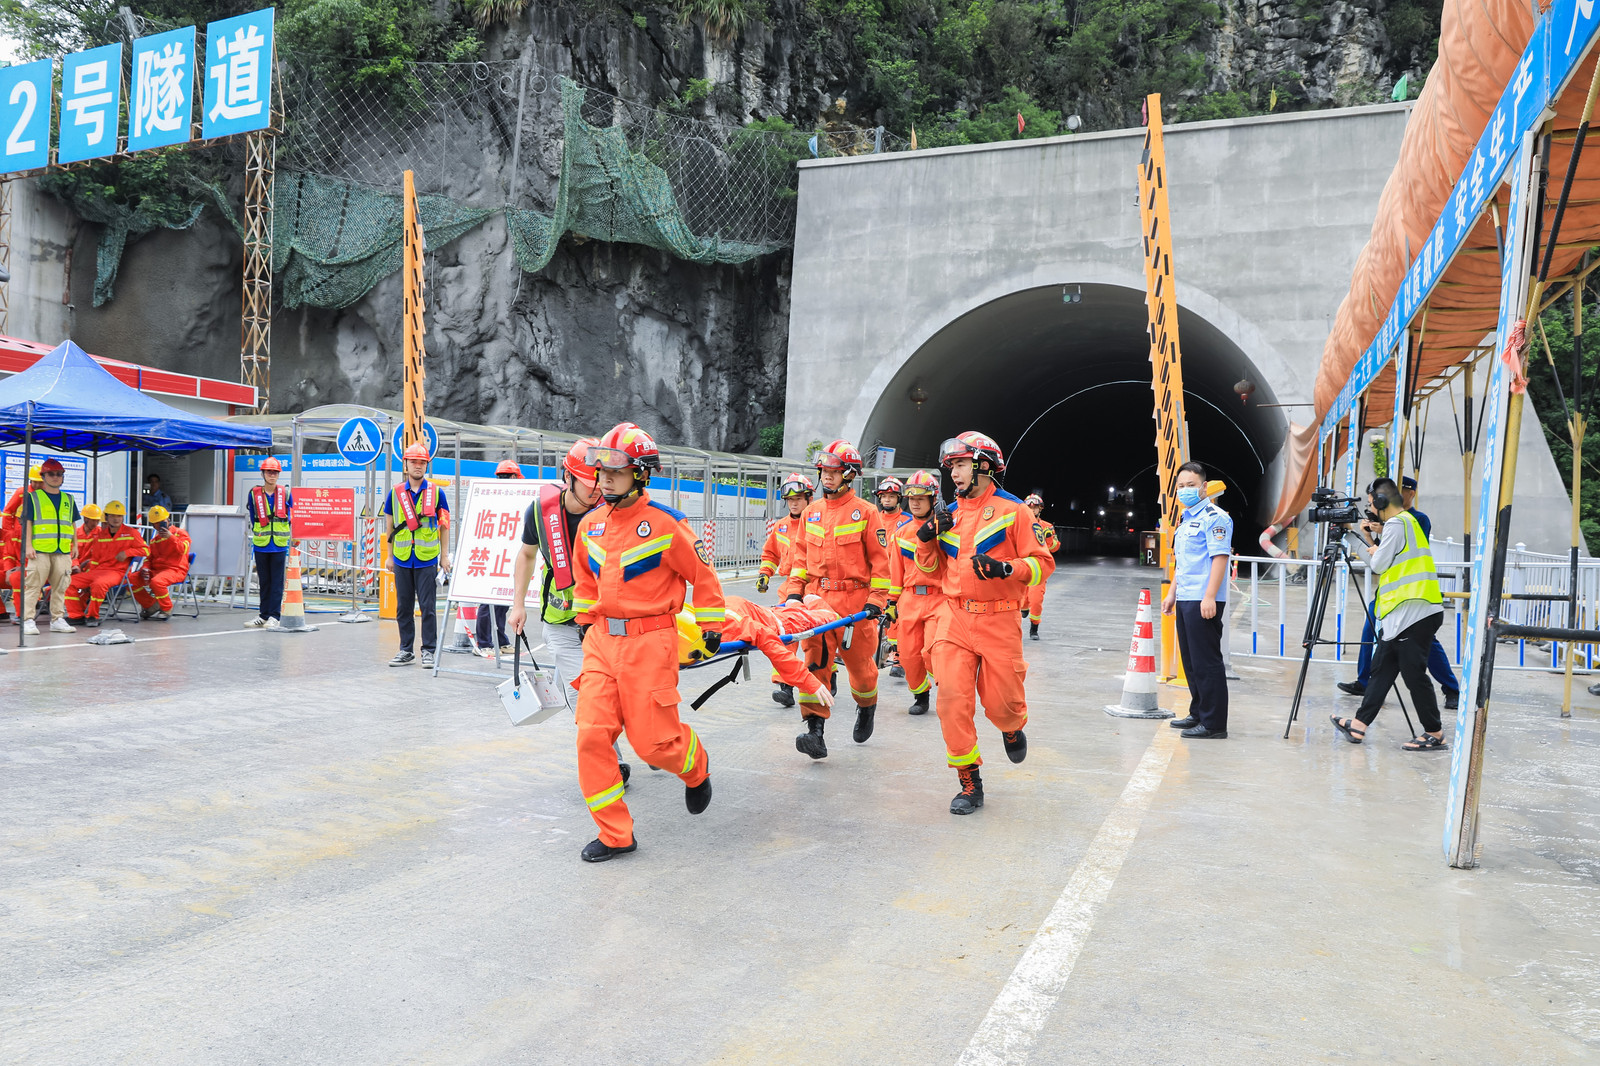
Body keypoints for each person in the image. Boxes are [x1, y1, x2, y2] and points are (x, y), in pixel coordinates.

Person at [570, 422, 726, 863]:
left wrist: (713, 623)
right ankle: (616, 834)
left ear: (641, 473)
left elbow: (703, 576)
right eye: (600, 468)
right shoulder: (592, 525)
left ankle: (695, 768)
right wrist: (585, 621)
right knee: (591, 737)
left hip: (651, 642)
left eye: (615, 469)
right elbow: (584, 579)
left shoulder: (667, 525)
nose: (604, 477)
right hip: (601, 643)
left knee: (653, 744)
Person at [914, 433, 1054, 814]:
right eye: (952, 466)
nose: (953, 473)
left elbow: (1044, 564)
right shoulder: (949, 514)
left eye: (960, 465)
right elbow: (928, 569)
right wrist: (926, 538)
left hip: (1000, 618)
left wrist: (1007, 567)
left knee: (1001, 702)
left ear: (983, 466)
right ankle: (969, 783)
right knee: (952, 701)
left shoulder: (1016, 511)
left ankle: (1010, 726)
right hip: (954, 616)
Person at [507, 438, 633, 785]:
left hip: (608, 619)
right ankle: (612, 762)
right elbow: (527, 555)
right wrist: (518, 606)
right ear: (568, 477)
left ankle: (642, 738)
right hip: (563, 620)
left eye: (601, 481)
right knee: (585, 696)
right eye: (588, 484)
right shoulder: (540, 511)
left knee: (604, 691)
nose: (597, 491)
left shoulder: (614, 510)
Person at [782, 439, 892, 748]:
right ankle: (814, 731)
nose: (827, 476)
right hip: (818, 601)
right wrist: (794, 594)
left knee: (862, 671)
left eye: (834, 471)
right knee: (815, 662)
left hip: (856, 604)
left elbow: (881, 564)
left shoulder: (868, 513)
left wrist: (876, 602)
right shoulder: (811, 513)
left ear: (850, 475)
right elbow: (800, 560)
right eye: (824, 470)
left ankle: (867, 706)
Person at [1331, 477, 1447, 751]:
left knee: (1414, 675)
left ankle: (1435, 732)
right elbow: (1384, 561)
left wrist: (1363, 543)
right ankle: (1359, 726)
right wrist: (1356, 536)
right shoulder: (1406, 522)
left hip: (1414, 611)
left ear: (1382, 502)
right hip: (1403, 612)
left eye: (1371, 503)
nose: (1370, 509)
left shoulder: (1397, 523)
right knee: (1381, 670)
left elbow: (1379, 564)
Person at [678, 595, 838, 757]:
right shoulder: (677, 621)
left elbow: (772, 645)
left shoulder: (733, 627)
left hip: (758, 617)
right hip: (736, 607)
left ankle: (811, 602)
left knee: (818, 618)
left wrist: (809, 681)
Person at [1161, 461, 1233, 738]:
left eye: (1191, 486)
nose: (1185, 490)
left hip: (1204, 598)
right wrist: (1171, 594)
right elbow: (1184, 563)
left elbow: (1219, 559)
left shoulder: (1216, 517)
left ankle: (1214, 724)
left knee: (1207, 662)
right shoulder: (1187, 518)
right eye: (1180, 486)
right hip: (1186, 596)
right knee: (1190, 662)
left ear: (1204, 487)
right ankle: (1198, 713)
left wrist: (1210, 597)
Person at [383, 442, 452, 667]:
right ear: (406, 464)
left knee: (427, 606)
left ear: (426, 466)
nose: (418, 466)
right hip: (402, 558)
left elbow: (444, 526)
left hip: (427, 558)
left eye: (422, 462)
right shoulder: (395, 493)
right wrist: (390, 556)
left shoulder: (437, 492)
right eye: (414, 462)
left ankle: (429, 650)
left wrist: (444, 557)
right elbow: (390, 526)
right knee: (403, 606)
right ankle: (406, 650)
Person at [757, 472, 815, 707]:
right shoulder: (781, 527)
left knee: (815, 639)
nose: (793, 503)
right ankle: (785, 686)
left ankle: (824, 676)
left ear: (808, 499)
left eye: (799, 498)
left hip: (813, 587)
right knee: (784, 638)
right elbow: (770, 554)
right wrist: (764, 574)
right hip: (788, 587)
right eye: (790, 499)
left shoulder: (816, 524)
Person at [892, 469, 945, 715]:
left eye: (921, 499)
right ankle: (920, 695)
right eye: (911, 499)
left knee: (931, 650)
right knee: (909, 655)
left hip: (939, 598)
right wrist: (891, 602)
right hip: (910, 598)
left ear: (932, 500)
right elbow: (895, 572)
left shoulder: (945, 529)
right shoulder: (901, 533)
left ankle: (947, 689)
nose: (914, 503)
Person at [20, 458, 82, 635]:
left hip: (62, 550)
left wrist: (75, 544)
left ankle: (57, 619)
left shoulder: (68, 499)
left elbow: (72, 523)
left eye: (59, 474)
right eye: (51, 474)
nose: (55, 477)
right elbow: (28, 523)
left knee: (61, 585)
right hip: (39, 549)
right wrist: (28, 546)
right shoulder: (32, 497)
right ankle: (28, 620)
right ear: (43, 476)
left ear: (63, 477)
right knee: (33, 585)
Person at [64, 500, 146, 628]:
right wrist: (88, 577)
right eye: (112, 516)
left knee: (98, 584)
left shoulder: (131, 533)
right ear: (107, 517)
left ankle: (92, 616)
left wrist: (128, 552)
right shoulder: (100, 536)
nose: (116, 519)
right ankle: (76, 616)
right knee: (67, 581)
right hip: (98, 572)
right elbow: (95, 560)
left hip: (118, 572)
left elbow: (146, 550)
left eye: (119, 516)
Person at [475, 460, 523, 654]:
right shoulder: (490, 498)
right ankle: (484, 643)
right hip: (491, 555)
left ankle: (500, 640)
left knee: (502, 601)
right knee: (488, 602)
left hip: (507, 555)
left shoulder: (514, 500)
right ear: (512, 477)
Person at [244, 457, 292, 629]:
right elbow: (253, 517)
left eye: (275, 472)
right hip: (261, 543)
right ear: (263, 474)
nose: (272, 475)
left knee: (277, 582)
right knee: (264, 581)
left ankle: (274, 615)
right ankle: (263, 615)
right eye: (269, 472)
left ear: (279, 474)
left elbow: (290, 516)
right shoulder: (253, 494)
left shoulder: (285, 493)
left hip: (278, 544)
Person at [132, 506, 191, 620]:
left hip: (176, 570)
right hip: (157, 571)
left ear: (168, 521)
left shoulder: (181, 534)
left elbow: (183, 550)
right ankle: (151, 605)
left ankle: (166, 608)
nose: (159, 526)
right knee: (130, 580)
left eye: (161, 522)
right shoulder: (154, 541)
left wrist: (171, 537)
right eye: (156, 523)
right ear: (153, 525)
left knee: (157, 582)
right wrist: (145, 569)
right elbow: (149, 559)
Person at [1, 464, 43, 621]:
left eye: (41, 482)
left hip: (38, 536)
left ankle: (31, 605)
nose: (38, 485)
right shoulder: (21, 493)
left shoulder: (45, 495)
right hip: (19, 535)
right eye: (35, 482)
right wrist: (9, 533)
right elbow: (7, 513)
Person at [1022, 493, 1061, 641]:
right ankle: (1024, 607)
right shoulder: (1018, 524)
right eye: (1029, 507)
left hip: (1039, 568)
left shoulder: (1047, 526)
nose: (1032, 510)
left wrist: (1049, 537)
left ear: (1040, 509)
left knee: (1036, 599)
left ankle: (1034, 628)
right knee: (1021, 598)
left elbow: (1055, 547)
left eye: (1035, 507)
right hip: (1022, 564)